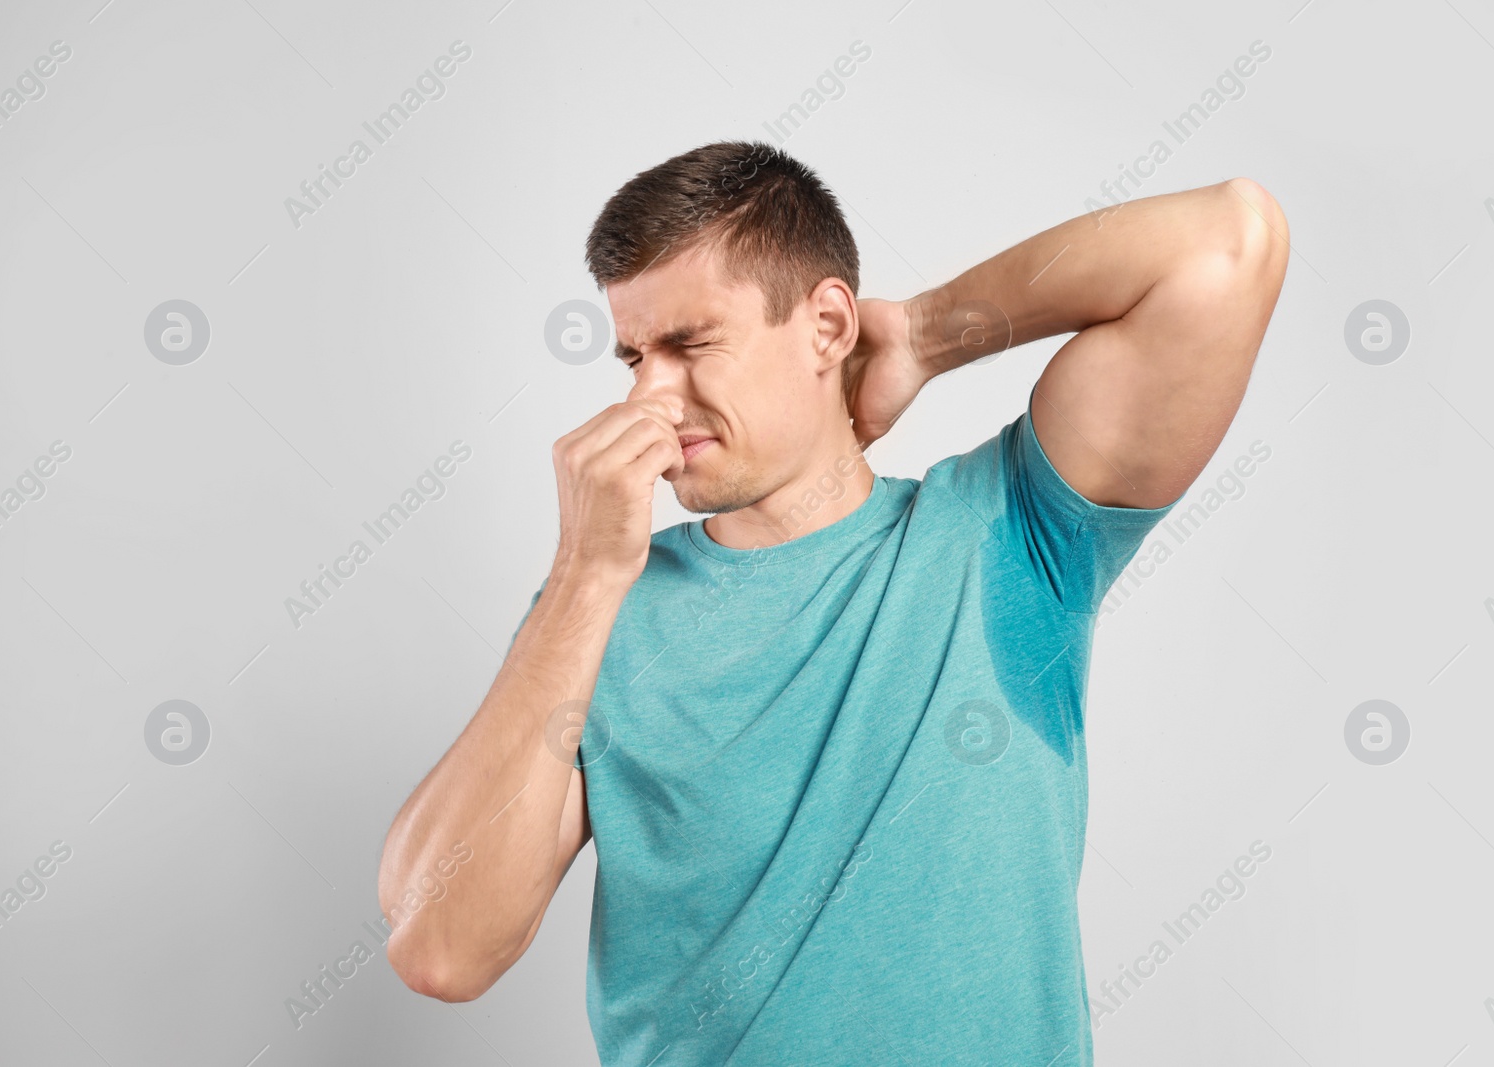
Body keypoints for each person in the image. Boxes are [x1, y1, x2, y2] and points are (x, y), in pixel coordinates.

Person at [377, 140, 1289, 1065]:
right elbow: (441, 948)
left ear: (825, 327)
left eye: (689, 344)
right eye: (632, 357)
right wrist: (581, 574)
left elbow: (1229, 242)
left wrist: (929, 331)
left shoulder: (1001, 536)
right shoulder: (595, 613)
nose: (649, 395)